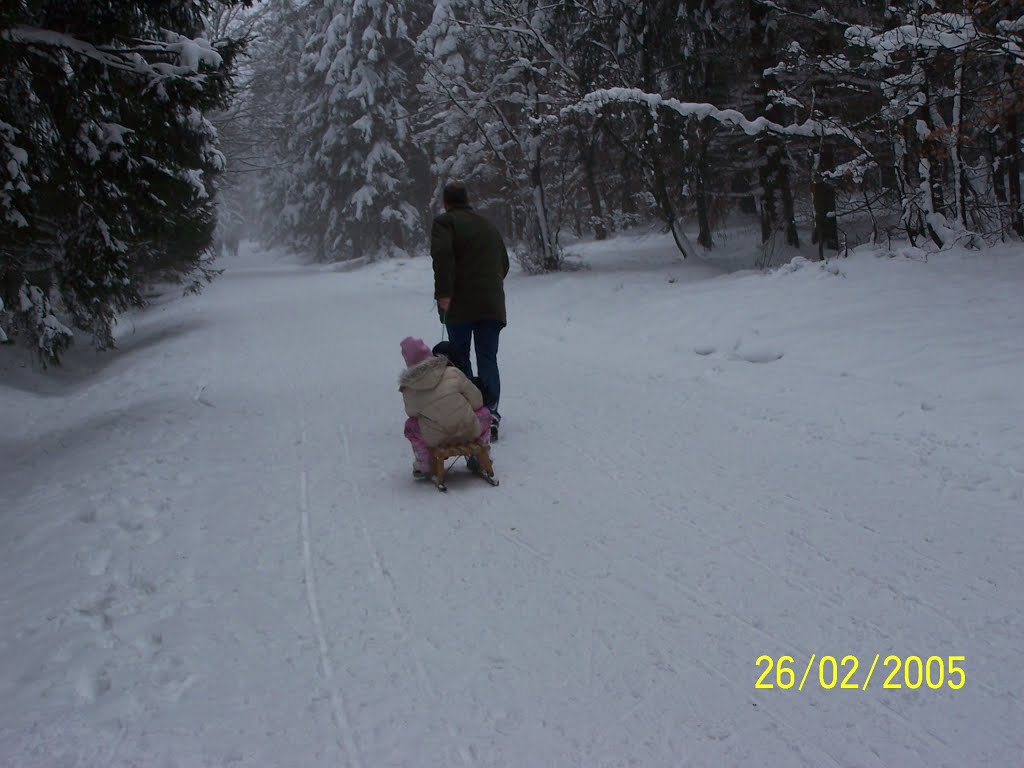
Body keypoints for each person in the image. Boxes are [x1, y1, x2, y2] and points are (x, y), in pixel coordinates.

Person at [431, 182, 510, 441]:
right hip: (491, 304)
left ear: (446, 203)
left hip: (460, 305)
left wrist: (443, 294)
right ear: (468, 199)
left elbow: (442, 256)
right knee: (488, 357)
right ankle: (492, 413)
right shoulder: (488, 225)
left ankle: (469, 414)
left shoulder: (445, 224)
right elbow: (504, 263)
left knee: (460, 357)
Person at [399, 336, 492, 479]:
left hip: (436, 438)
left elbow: (411, 412)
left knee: (410, 426)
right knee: (485, 413)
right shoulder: (452, 372)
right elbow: (477, 401)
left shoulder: (409, 389)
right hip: (468, 430)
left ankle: (424, 463)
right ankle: (482, 451)